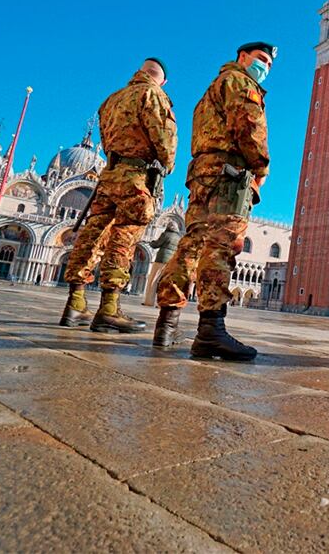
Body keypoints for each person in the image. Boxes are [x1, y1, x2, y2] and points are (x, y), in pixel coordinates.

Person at [151, 42, 275, 359]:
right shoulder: (241, 83)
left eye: (269, 65)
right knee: (221, 248)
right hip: (230, 176)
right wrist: (261, 168)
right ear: (242, 57)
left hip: (202, 173)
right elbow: (249, 129)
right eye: (261, 59)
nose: (265, 67)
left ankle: (166, 324)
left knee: (190, 245)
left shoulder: (210, 90)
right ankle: (210, 330)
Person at [57, 58, 177, 333]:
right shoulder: (153, 94)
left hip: (108, 175)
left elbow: (106, 138)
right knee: (124, 237)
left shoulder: (111, 99)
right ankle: (109, 309)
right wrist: (166, 165)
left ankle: (75, 303)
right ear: (162, 80)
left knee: (92, 234)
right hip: (134, 176)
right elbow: (165, 141)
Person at [142, 222, 182, 307]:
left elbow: (157, 244)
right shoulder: (179, 237)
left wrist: (150, 243)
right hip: (171, 261)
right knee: (165, 282)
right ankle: (162, 303)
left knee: (153, 279)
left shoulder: (166, 234)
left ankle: (149, 301)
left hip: (161, 259)